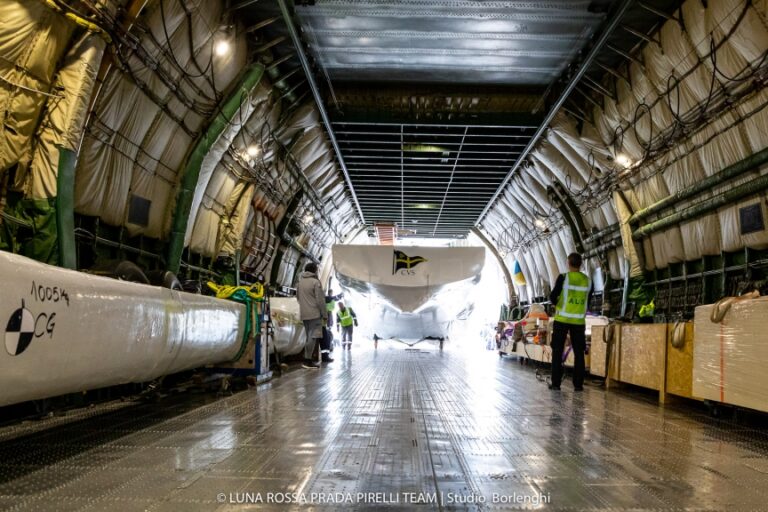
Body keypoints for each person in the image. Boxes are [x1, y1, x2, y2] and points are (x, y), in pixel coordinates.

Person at [548, 252, 592, 391]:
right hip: (579, 321)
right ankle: (578, 385)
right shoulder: (588, 281)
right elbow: (588, 300)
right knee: (579, 352)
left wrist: (558, 304)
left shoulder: (563, 278)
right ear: (581, 264)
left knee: (557, 350)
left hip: (562, 319)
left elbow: (552, 296)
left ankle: (556, 384)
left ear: (568, 263)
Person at [296, 262, 332, 368]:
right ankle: (307, 361)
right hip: (315, 314)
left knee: (308, 337)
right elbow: (320, 300)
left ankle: (307, 359)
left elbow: (298, 298)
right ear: (314, 270)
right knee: (313, 337)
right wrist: (324, 314)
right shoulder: (316, 282)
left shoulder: (300, 283)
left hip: (304, 314)